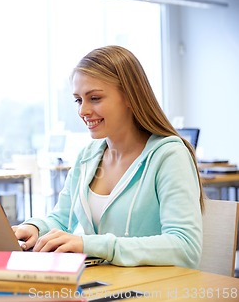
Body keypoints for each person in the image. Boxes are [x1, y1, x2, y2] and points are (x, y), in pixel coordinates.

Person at [13, 45, 204, 269]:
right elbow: (62, 218)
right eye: (78, 100)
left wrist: (93, 245)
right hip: (106, 284)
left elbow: (186, 247)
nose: (82, 111)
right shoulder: (87, 157)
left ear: (130, 97)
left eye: (94, 98)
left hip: (154, 289)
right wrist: (35, 228)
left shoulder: (169, 155)